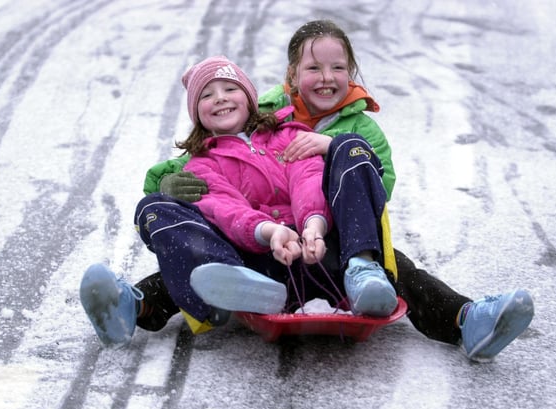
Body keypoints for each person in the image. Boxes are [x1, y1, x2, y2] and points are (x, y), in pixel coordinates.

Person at [108, 20, 534, 361]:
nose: (326, 78)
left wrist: (331, 153)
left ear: (351, 72)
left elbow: (374, 190)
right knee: (184, 226)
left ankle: (466, 319)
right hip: (266, 243)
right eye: (313, 68)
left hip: (343, 238)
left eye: (337, 68)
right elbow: (209, 176)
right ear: (292, 74)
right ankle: (141, 304)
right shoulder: (269, 112)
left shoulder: (360, 130)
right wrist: (164, 184)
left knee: (397, 266)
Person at [80, 56, 399, 348]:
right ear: (197, 114)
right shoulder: (201, 164)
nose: (219, 98)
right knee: (152, 209)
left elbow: (307, 179)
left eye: (229, 88)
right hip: (264, 266)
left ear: (249, 98)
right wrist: (270, 232)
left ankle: (363, 272)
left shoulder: (288, 135)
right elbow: (226, 210)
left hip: (320, 252)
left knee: (350, 145)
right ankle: (227, 283)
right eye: (206, 95)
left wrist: (313, 225)